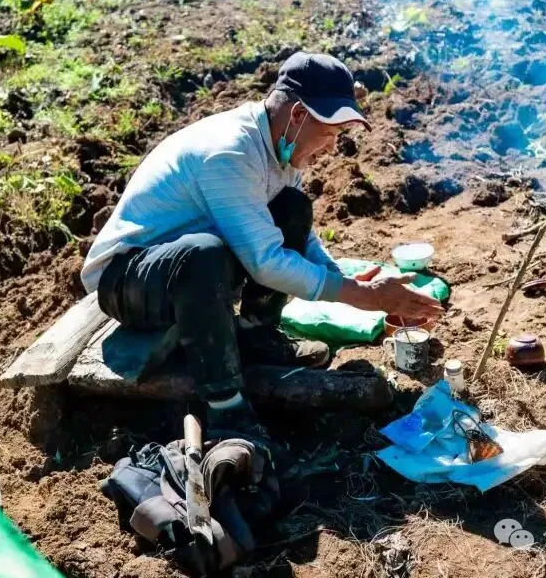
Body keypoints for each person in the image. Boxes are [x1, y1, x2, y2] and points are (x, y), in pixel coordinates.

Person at [81, 51, 443, 432]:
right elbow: (265, 261)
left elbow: (296, 233)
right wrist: (359, 296)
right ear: (299, 116)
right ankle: (225, 406)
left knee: (291, 206)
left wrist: (345, 279)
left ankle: (256, 335)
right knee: (203, 255)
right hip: (128, 281)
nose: (332, 148)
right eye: (331, 134)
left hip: (186, 268)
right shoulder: (229, 152)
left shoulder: (280, 145)